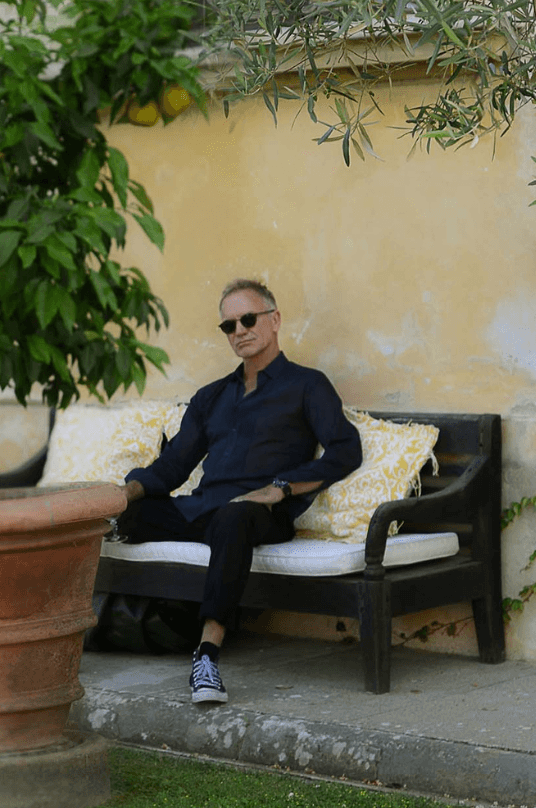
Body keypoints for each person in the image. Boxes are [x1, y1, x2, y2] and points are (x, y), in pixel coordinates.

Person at [109, 278, 362, 705]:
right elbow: (173, 467)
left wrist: (282, 487)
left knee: (234, 516)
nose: (240, 331)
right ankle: (83, 623)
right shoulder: (211, 396)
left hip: (259, 515)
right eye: (229, 325)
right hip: (204, 509)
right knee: (128, 515)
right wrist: (122, 495)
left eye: (248, 319)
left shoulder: (307, 386)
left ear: (275, 320)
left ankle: (207, 655)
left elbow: (345, 449)